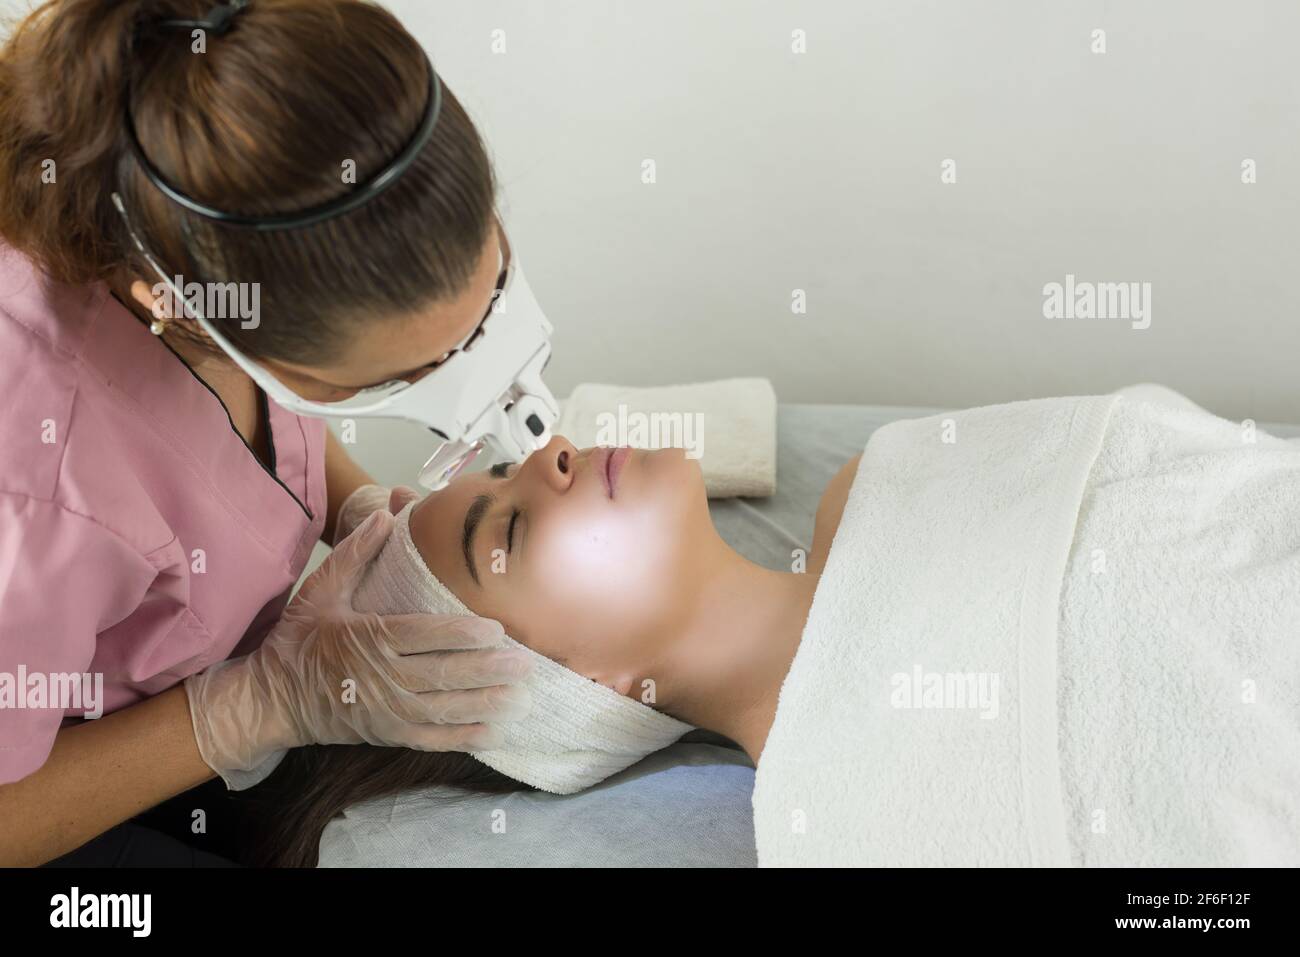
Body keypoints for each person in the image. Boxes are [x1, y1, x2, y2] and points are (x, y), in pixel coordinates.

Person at [0, 0, 537, 866]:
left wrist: (354, 505)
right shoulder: (34, 473)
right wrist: (255, 706)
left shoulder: (220, 214)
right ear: (185, 313)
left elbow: (256, 414)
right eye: (387, 380)